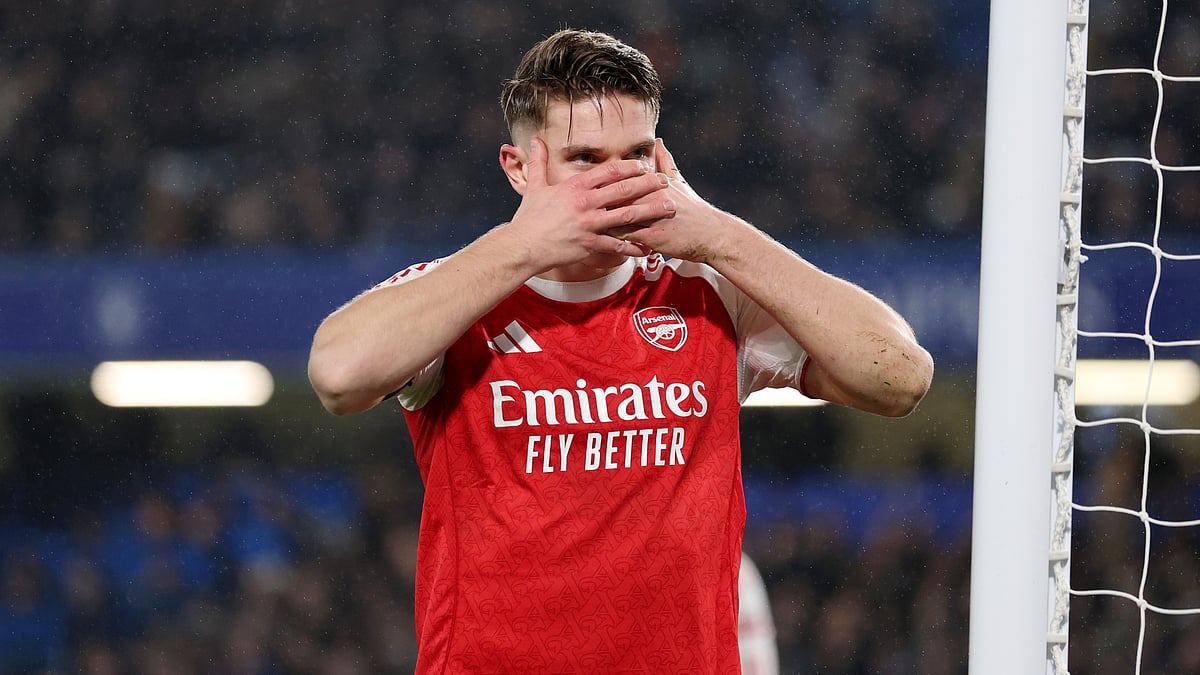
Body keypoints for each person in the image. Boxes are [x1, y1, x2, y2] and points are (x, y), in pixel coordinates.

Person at [308, 28, 933, 673]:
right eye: (585, 159)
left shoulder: (706, 288)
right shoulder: (458, 297)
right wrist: (524, 246)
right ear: (519, 168)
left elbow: (898, 376)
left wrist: (719, 234)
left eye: (634, 154)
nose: (617, 182)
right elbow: (337, 374)